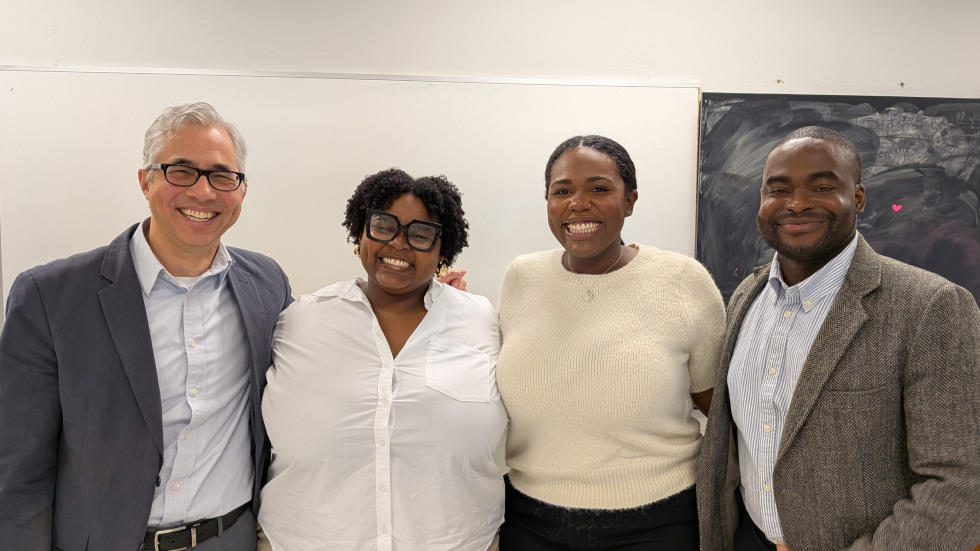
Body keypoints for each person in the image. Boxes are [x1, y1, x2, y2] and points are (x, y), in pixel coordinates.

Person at [0, 102, 292, 551]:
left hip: (229, 538)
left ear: (242, 190)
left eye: (221, 176)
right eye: (181, 171)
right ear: (146, 181)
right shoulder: (50, 297)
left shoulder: (267, 285)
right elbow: (18, 470)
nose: (203, 192)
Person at [696, 126, 980, 551]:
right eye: (778, 189)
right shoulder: (746, 297)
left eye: (822, 187)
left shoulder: (930, 306)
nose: (796, 203)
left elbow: (961, 486)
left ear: (858, 198)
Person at [257, 168, 507, 551]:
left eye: (421, 234)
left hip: (459, 541)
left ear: (443, 250)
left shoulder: (481, 322)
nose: (399, 243)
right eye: (383, 226)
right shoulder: (299, 321)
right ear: (361, 233)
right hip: (303, 540)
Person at [496, 135, 726, 550]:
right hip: (529, 520)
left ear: (630, 200)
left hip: (657, 523)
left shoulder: (681, 281)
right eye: (561, 191)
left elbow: (719, 410)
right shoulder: (521, 277)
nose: (578, 204)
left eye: (599, 189)